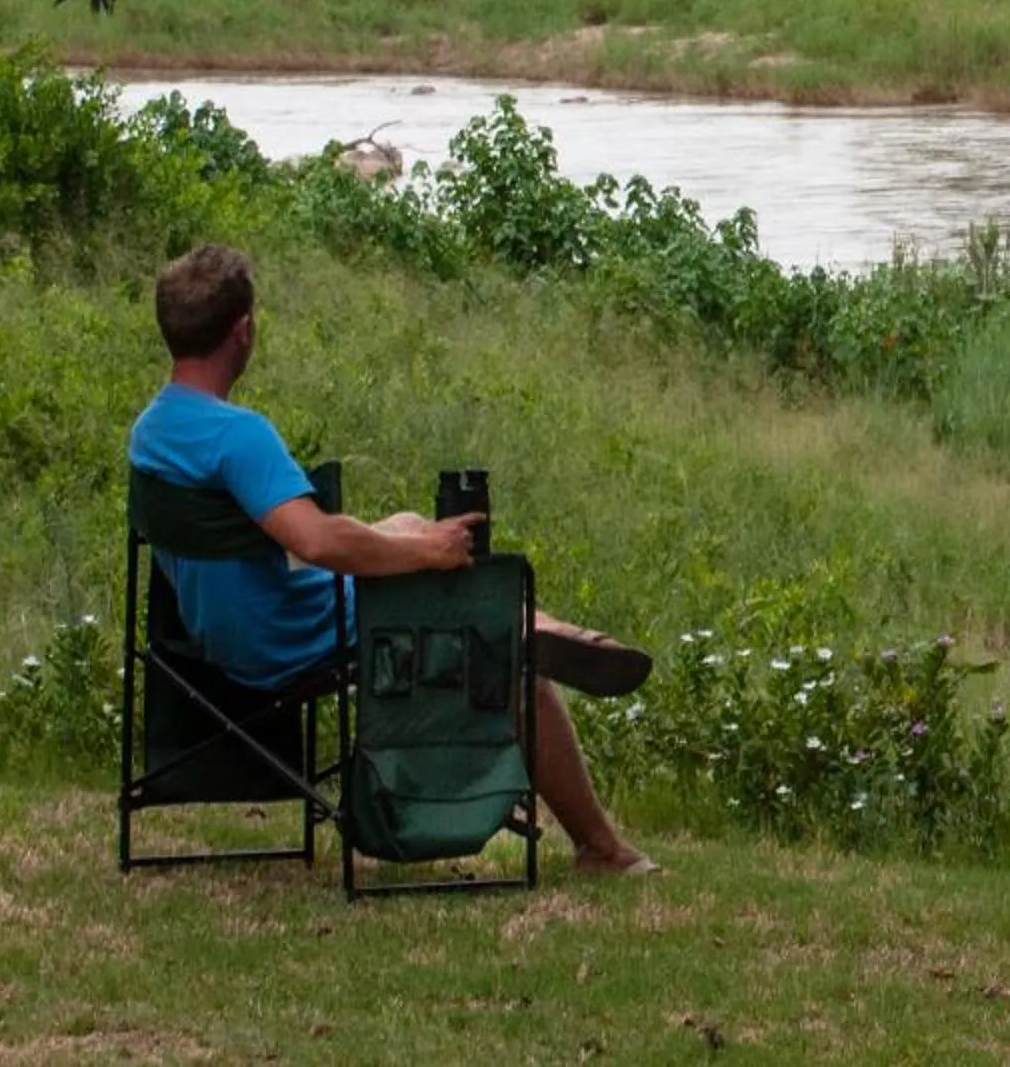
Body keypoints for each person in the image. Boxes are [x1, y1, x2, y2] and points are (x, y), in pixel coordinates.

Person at [128, 243, 658, 877]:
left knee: (409, 527)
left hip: (214, 636)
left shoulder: (153, 431)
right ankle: (598, 842)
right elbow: (317, 543)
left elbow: (290, 536)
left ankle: (543, 627)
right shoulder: (237, 436)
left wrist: (412, 542)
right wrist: (426, 554)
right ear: (243, 329)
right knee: (509, 657)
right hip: (291, 639)